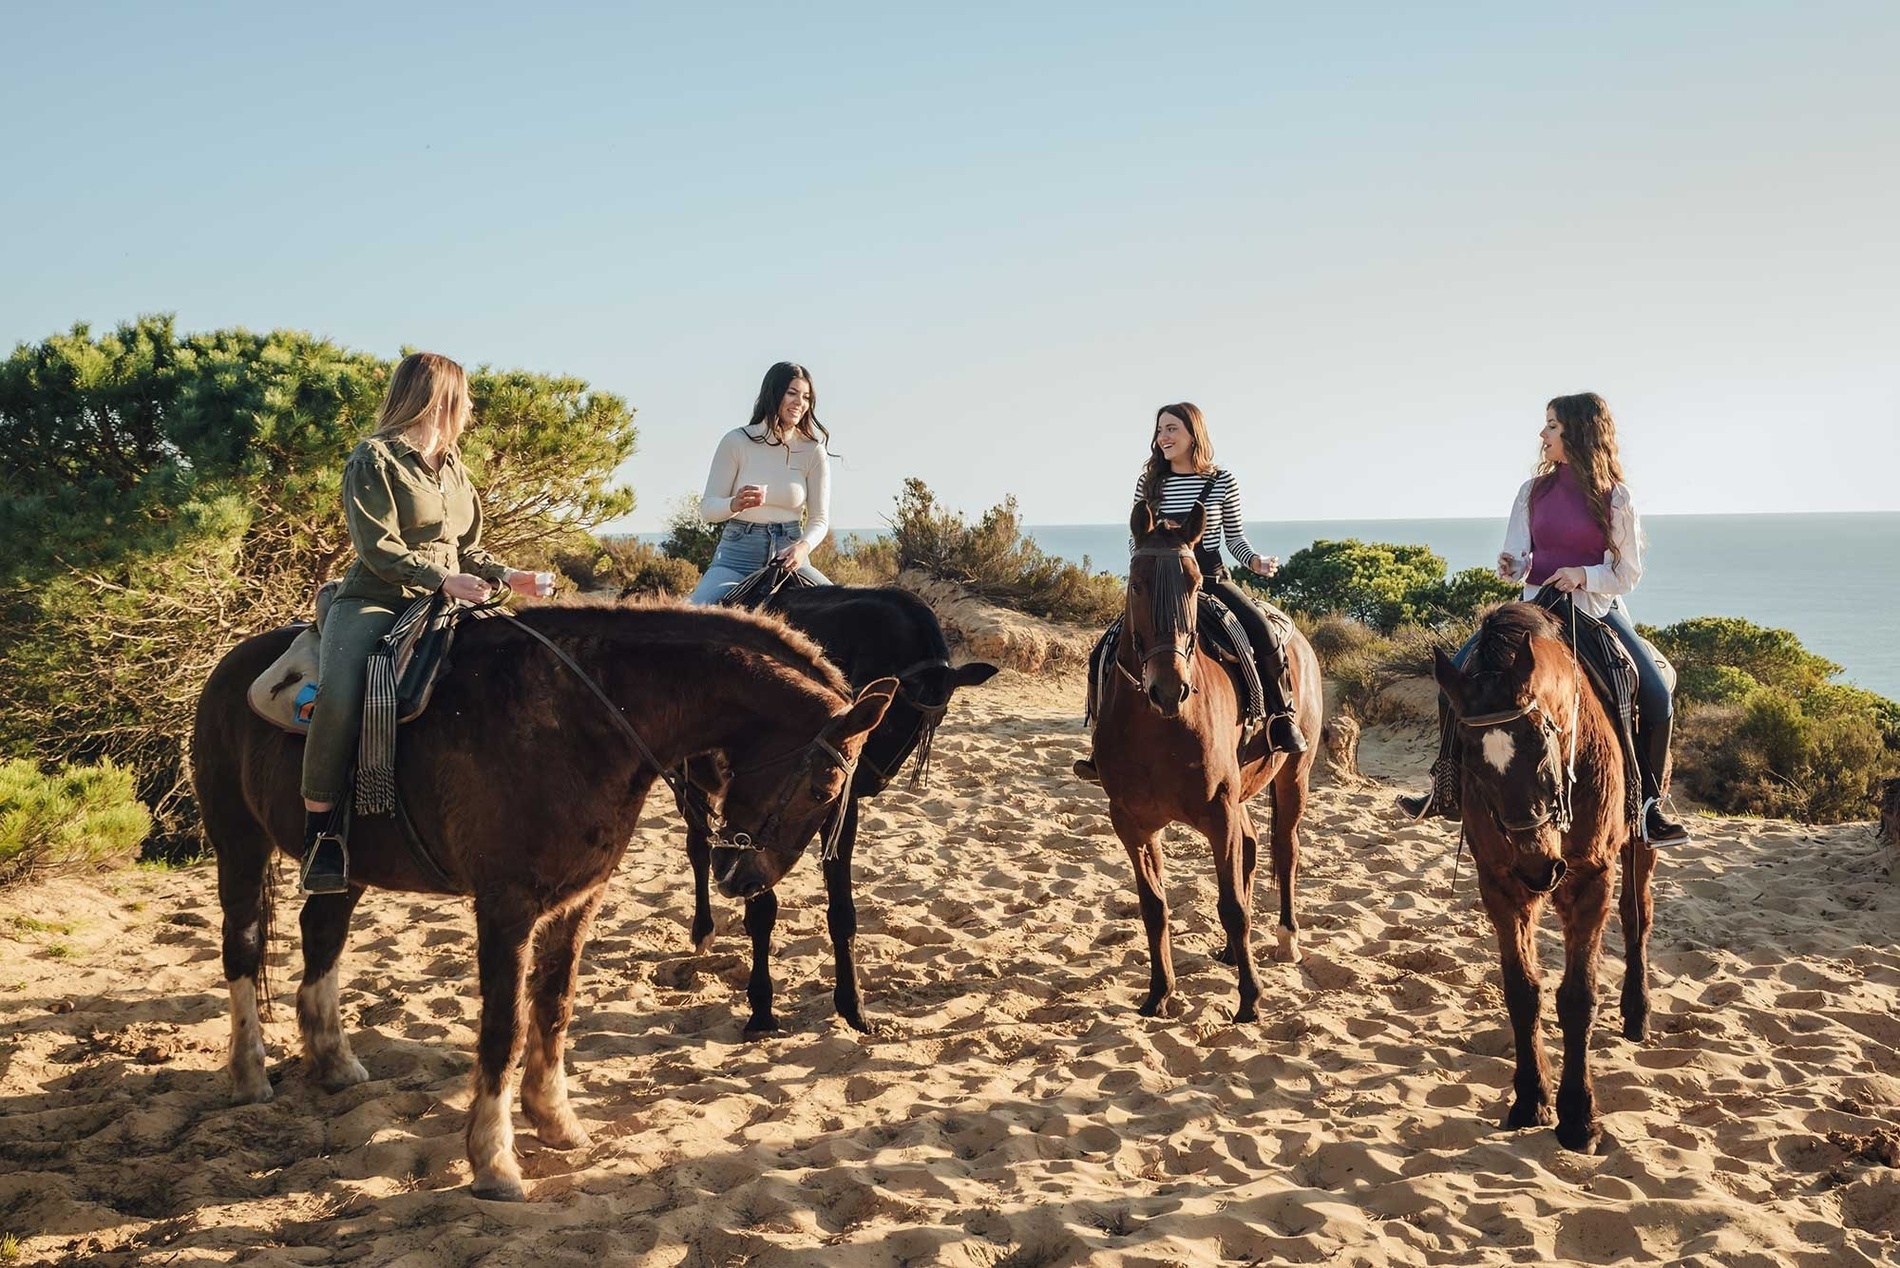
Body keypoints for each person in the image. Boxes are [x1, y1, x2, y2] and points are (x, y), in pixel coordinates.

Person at [299, 352, 544, 893]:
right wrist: (442, 580)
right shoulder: (374, 458)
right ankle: (321, 836)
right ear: (441, 397)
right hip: (378, 598)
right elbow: (377, 546)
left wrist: (512, 575)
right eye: (466, 395)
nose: (473, 405)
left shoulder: (454, 467)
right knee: (341, 694)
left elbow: (467, 548)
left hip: (447, 598)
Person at [1399, 392, 1689, 845]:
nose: (1543, 434)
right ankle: (1445, 788)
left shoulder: (1617, 497)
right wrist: (1513, 565)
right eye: (1546, 425)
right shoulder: (1530, 492)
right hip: (1535, 612)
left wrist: (1583, 574)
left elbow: (1626, 574)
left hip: (1594, 610)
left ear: (1578, 430)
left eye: (1551, 426)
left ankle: (1649, 807)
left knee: (1655, 696)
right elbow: (1521, 554)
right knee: (1454, 682)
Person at [1074, 402, 1305, 784]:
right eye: (1160, 430)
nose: (1163, 437)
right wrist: (1144, 577)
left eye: (1171, 429)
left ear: (1193, 434)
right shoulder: (1149, 483)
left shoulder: (1221, 480)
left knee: (1261, 632)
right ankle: (1101, 745)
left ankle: (1280, 719)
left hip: (1208, 578)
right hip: (1158, 583)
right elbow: (1139, 540)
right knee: (1103, 651)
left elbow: (1234, 538)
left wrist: (1254, 563)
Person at [688, 361, 833, 604]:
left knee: (840, 610)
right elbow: (708, 509)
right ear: (773, 393)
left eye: (806, 397)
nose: (800, 402)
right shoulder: (736, 442)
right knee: (698, 614)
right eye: (792, 393)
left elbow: (819, 519)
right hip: (736, 559)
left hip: (790, 558)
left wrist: (803, 547)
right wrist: (734, 504)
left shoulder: (813, 451)